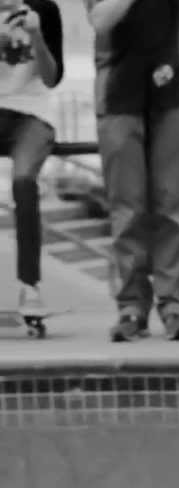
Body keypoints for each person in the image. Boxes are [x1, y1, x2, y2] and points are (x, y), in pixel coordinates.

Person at [87, 0, 179, 342]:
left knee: (174, 204)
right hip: (117, 95)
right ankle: (131, 307)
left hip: (174, 91)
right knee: (127, 208)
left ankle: (175, 306)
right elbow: (100, 20)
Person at [0, 0, 62, 316]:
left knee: (24, 181)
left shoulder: (44, 9)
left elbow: (52, 78)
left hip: (32, 113)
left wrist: (36, 36)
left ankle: (30, 286)